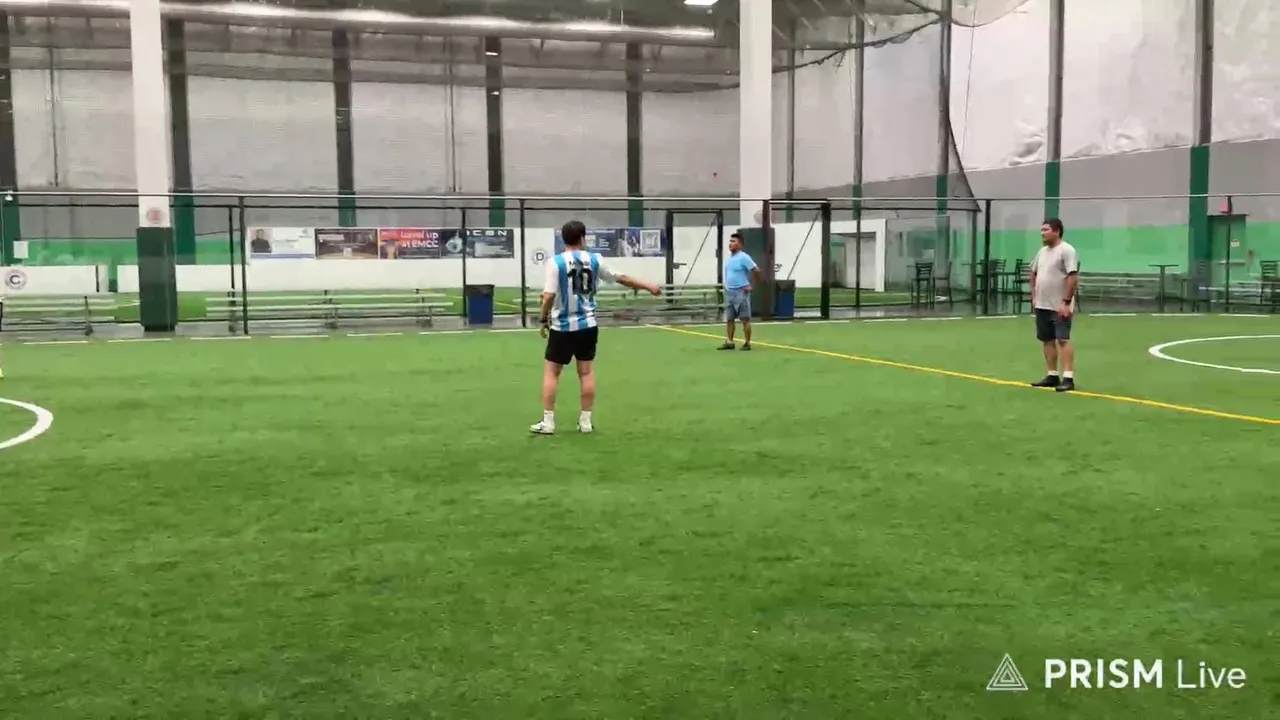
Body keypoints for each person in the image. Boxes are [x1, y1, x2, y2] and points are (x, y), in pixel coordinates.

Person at [531, 220, 662, 435]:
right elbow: (621, 278)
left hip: (562, 327)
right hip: (588, 325)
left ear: (563, 240)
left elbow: (548, 296)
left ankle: (548, 422)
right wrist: (648, 286)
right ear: (583, 238)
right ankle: (585, 422)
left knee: (552, 373)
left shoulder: (555, 263)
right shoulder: (594, 260)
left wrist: (543, 319)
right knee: (586, 373)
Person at [1028, 217, 1080, 392]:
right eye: (1041, 230)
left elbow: (1073, 277)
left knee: (1063, 339)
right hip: (1042, 305)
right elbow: (1033, 273)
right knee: (1047, 340)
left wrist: (1066, 302)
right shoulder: (1042, 252)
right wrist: (1034, 296)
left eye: (1046, 230)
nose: (1042, 233)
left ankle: (1068, 378)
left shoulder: (1067, 250)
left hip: (1059, 306)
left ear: (1057, 231)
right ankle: (1052, 375)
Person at [719, 231, 761, 351]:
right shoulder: (729, 259)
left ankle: (747, 343)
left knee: (745, 319)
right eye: (730, 241)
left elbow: (756, 270)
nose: (730, 243)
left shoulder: (744, 257)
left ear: (740, 244)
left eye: (734, 241)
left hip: (741, 292)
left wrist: (752, 286)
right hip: (730, 292)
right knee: (729, 319)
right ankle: (730, 342)